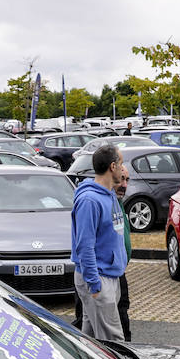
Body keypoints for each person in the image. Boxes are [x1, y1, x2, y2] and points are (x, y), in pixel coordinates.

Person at [71, 145, 128, 342]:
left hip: (110, 276)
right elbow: (84, 246)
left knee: (91, 339)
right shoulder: (89, 200)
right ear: (112, 166)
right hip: (98, 279)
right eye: (121, 164)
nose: (123, 169)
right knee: (113, 342)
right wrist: (94, 285)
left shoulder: (110, 194)